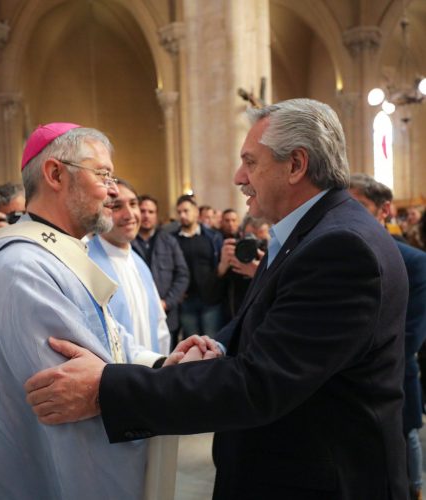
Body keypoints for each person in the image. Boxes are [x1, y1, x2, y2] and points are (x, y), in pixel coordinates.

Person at [25, 99, 410, 500]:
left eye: (250, 162)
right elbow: (263, 320)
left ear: (296, 165)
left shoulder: (339, 247)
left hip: (321, 481)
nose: (239, 177)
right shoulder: (309, 233)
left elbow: (260, 384)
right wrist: (217, 344)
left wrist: (105, 390)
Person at [0, 122, 216, 499]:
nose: (113, 190)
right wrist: (157, 390)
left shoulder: (55, 256)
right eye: (103, 174)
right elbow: (77, 403)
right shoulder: (24, 270)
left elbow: (109, 341)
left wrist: (162, 366)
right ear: (55, 174)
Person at [349, 173, 426, 500]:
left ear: (384, 210)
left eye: (360, 205)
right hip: (346, 386)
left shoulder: (414, 261)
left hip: (392, 377)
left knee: (405, 444)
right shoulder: (336, 254)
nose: (350, 211)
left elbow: (411, 334)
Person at [88, 180, 171, 355]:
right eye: (116, 206)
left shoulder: (139, 263)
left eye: (133, 204)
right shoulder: (86, 263)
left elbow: (159, 325)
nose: (130, 215)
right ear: (99, 212)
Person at [132, 194, 189, 350]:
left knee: (168, 358)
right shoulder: (127, 243)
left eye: (151, 212)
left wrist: (166, 302)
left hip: (167, 315)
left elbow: (182, 275)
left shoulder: (169, 241)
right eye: (142, 211)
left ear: (156, 215)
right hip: (137, 316)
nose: (146, 215)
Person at [174, 194, 224, 338]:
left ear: (196, 212)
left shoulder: (213, 237)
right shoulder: (172, 239)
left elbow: (220, 265)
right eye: (179, 212)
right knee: (192, 343)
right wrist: (176, 291)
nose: (182, 215)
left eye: (186, 211)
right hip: (186, 301)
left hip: (211, 299)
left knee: (211, 341)